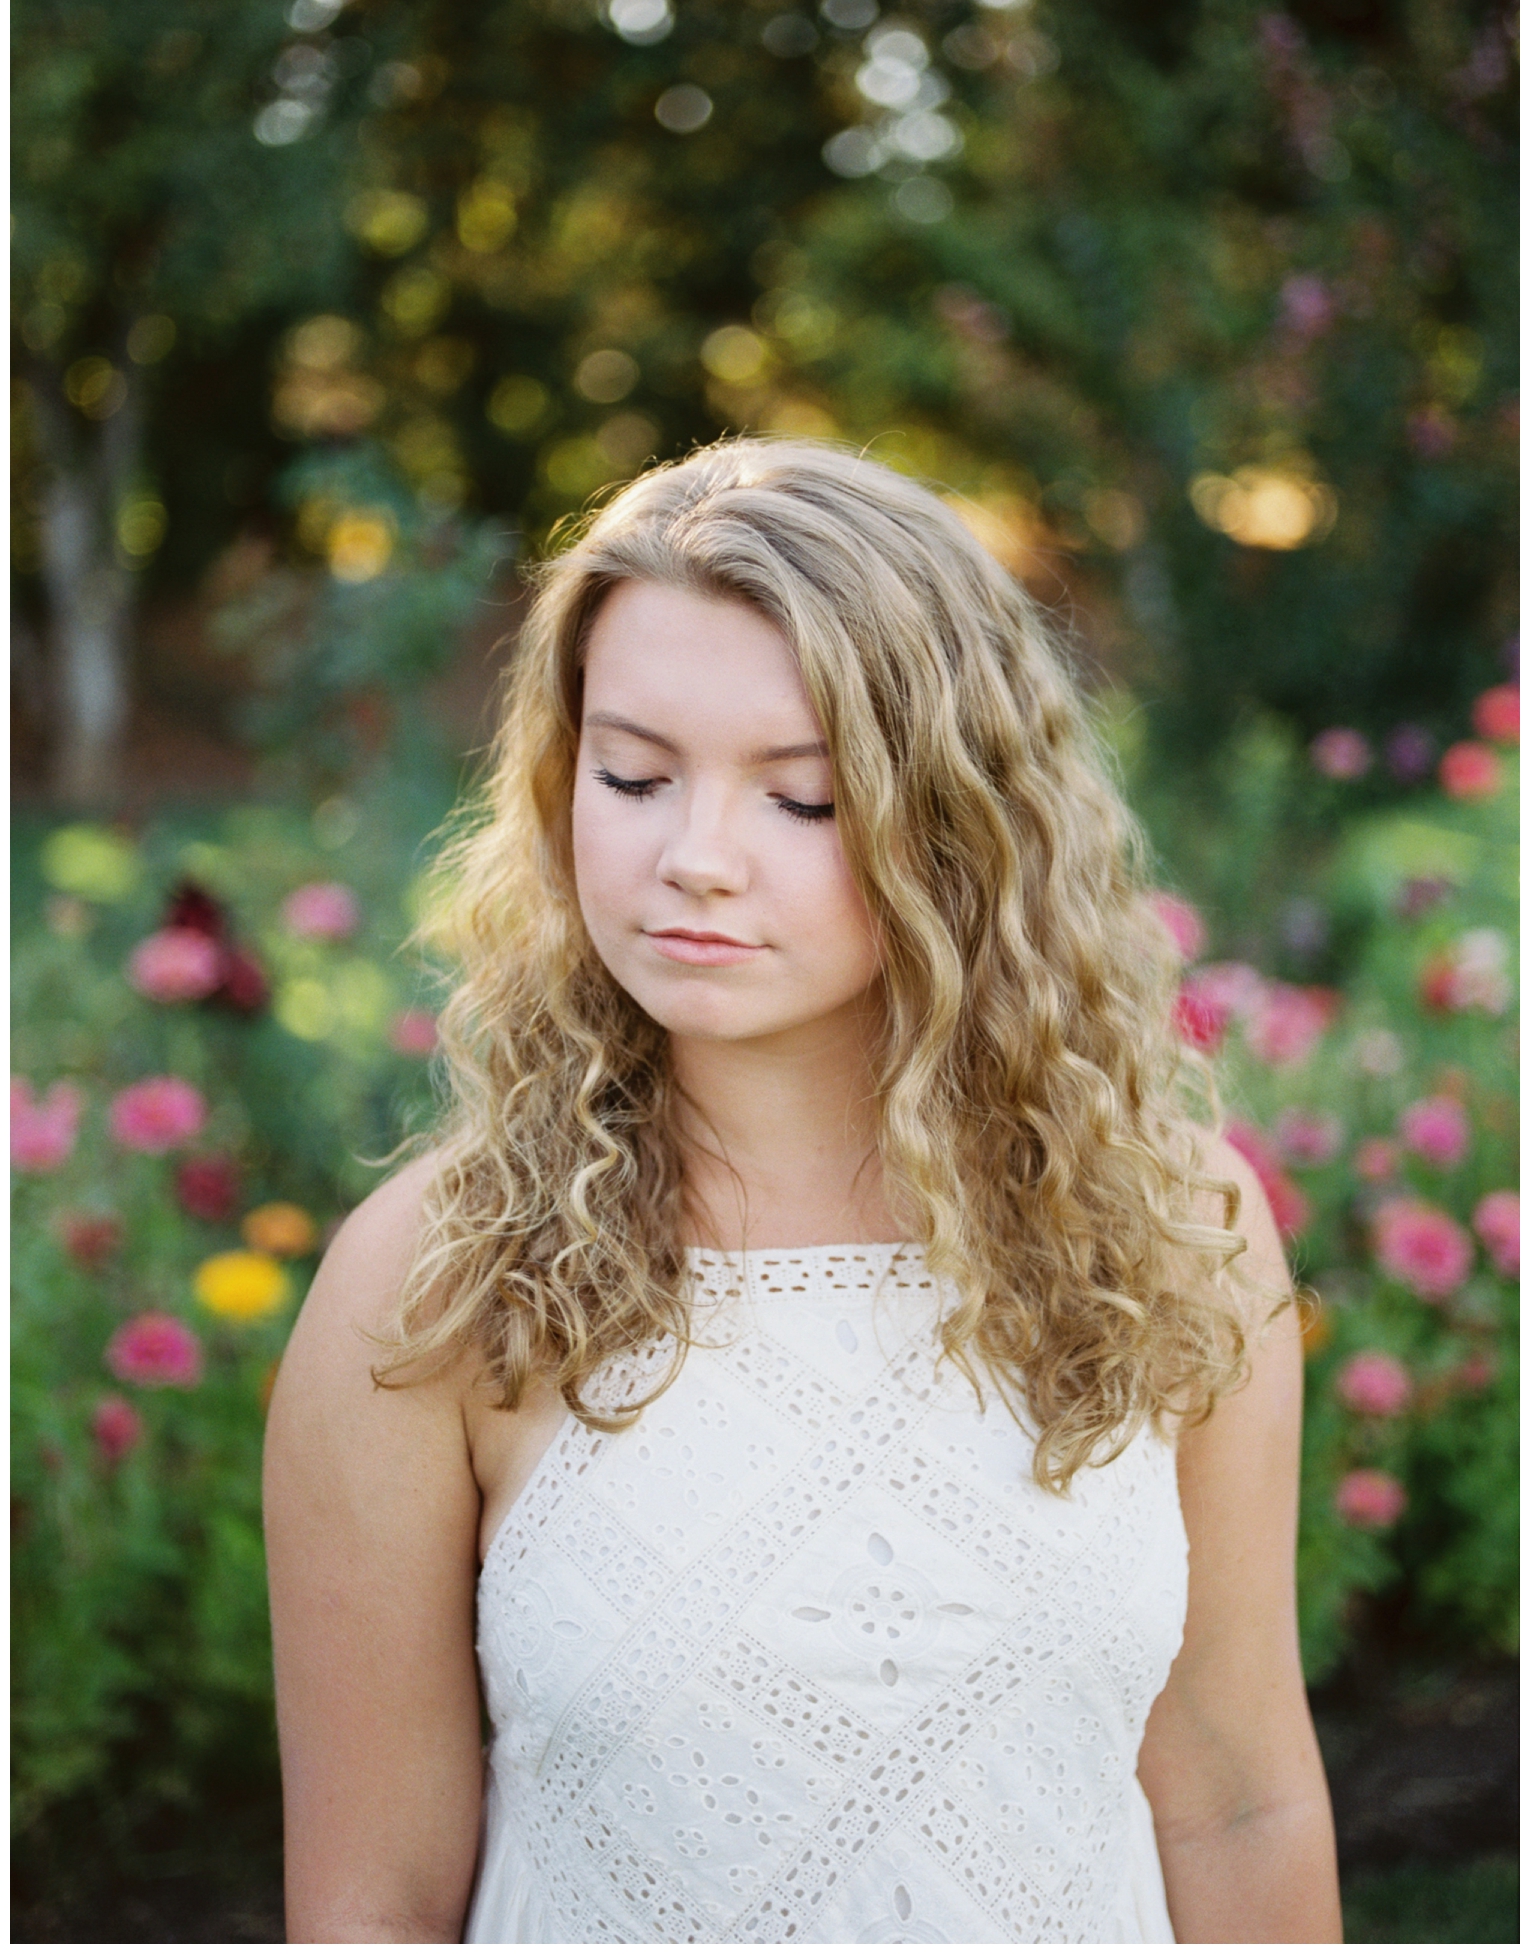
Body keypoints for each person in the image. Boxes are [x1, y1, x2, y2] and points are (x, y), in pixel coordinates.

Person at [264, 437, 1343, 1945]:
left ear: (959, 824)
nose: (693, 858)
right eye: (633, 775)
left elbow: (1235, 1797)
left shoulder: (1174, 1227)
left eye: (803, 799)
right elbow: (371, 1903)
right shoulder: (432, 1282)